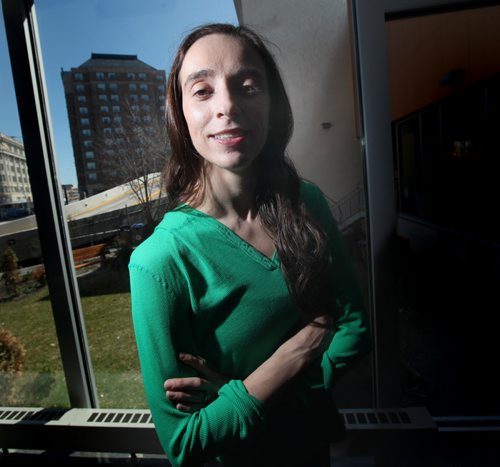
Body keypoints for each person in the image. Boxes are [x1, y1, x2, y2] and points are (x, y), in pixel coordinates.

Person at [129, 23, 370, 467]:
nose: (228, 106)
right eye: (202, 91)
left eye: (248, 85)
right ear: (179, 113)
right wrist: (298, 351)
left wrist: (244, 393)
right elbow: (183, 443)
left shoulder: (306, 202)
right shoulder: (159, 261)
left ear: (271, 103)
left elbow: (355, 327)